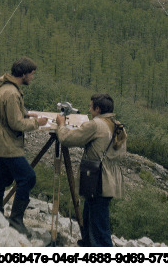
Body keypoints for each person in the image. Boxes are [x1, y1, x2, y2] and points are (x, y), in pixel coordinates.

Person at [0, 56, 48, 235]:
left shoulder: (4, 87)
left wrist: (27, 114)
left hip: (0, 137)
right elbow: (16, 124)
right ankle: (16, 220)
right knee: (28, 177)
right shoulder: (13, 93)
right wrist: (38, 123)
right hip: (7, 140)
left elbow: (11, 115)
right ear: (23, 74)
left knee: (1, 175)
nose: (32, 77)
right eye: (31, 74)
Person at [56, 93, 127, 247]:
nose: (89, 110)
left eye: (90, 107)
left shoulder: (95, 125)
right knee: (91, 214)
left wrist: (61, 125)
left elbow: (67, 140)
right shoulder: (117, 125)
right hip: (109, 177)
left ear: (98, 109)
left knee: (99, 225)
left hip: (97, 178)